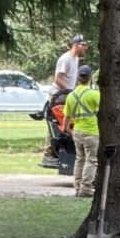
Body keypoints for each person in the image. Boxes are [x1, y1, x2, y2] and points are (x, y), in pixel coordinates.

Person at [42, 34, 89, 162]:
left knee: (68, 122)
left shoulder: (76, 59)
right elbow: (58, 79)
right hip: (58, 95)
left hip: (67, 95)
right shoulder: (65, 59)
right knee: (56, 123)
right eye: (84, 45)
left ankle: (65, 150)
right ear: (76, 45)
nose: (86, 47)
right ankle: (48, 154)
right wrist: (69, 91)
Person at [65, 64, 101, 198]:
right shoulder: (94, 94)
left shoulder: (71, 95)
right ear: (90, 78)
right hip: (91, 131)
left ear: (78, 78)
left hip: (77, 131)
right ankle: (85, 189)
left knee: (79, 159)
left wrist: (66, 128)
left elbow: (67, 116)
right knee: (91, 160)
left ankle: (77, 186)